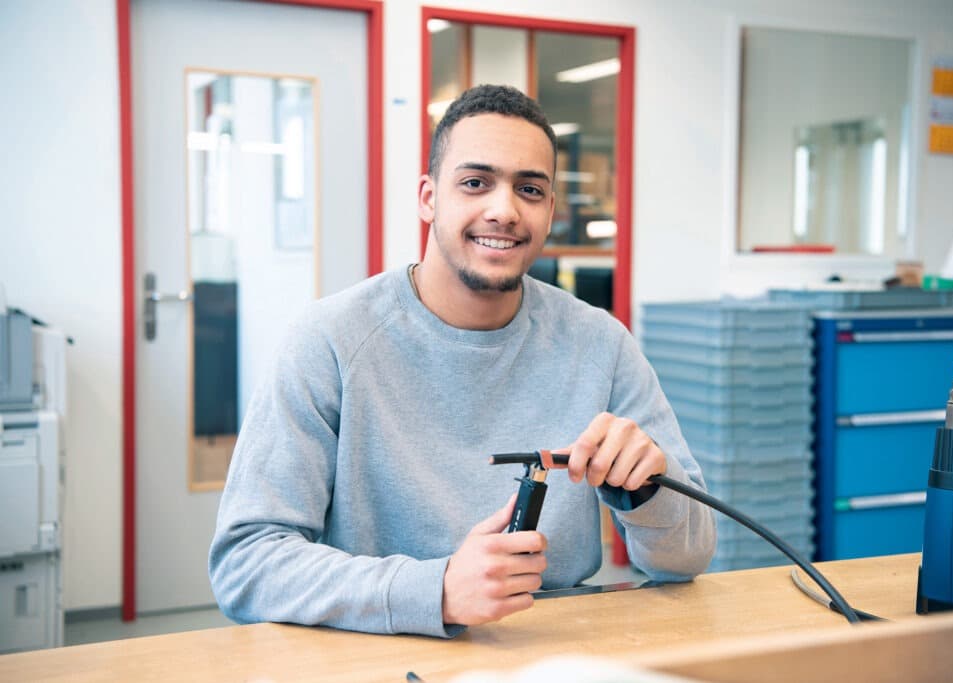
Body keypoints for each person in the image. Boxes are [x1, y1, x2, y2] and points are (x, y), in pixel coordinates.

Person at [209, 84, 716, 638]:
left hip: (556, 652)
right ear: (428, 197)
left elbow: (686, 558)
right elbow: (247, 564)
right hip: (379, 652)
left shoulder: (602, 343)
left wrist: (648, 488)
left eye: (529, 189)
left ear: (549, 210)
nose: (503, 210)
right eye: (475, 183)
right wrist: (437, 590)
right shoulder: (328, 340)